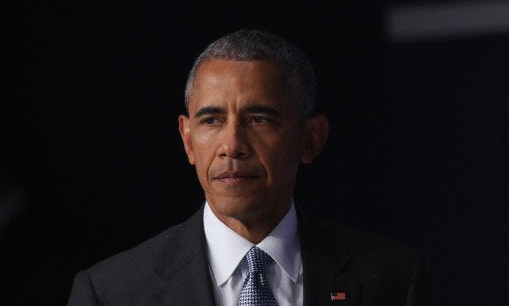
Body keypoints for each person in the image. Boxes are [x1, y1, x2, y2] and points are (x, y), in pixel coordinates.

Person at [66, 29, 431, 306]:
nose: (232, 146)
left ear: (311, 139)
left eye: (258, 119)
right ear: (188, 139)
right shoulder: (111, 293)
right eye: (211, 121)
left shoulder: (393, 278)